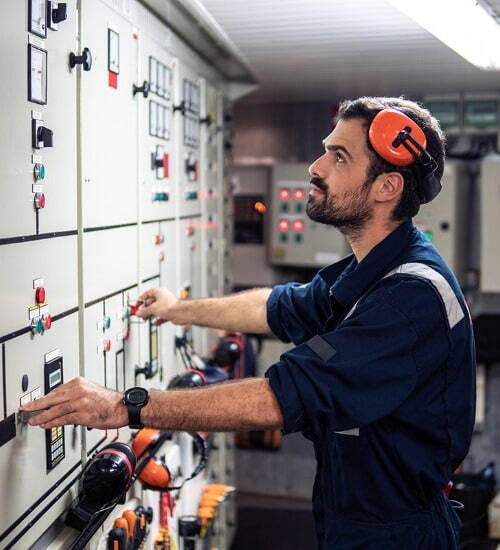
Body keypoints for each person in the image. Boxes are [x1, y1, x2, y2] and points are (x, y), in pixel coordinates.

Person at [22, 96, 475, 549]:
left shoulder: (411, 296)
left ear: (387, 187)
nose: (315, 168)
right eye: (325, 150)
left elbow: (282, 399)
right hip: (356, 517)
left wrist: (126, 406)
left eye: (339, 157)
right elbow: (278, 306)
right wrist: (178, 309)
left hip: (401, 535)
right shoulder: (368, 270)